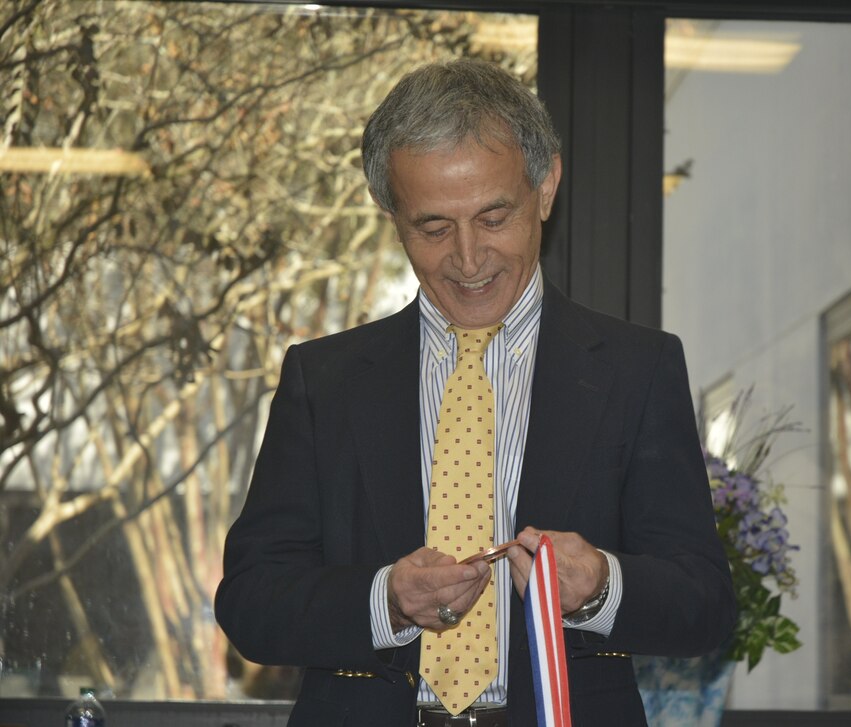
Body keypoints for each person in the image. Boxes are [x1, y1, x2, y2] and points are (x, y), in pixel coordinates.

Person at [215, 58, 734, 727]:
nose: (467, 257)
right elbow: (251, 602)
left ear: (546, 185)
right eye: (433, 227)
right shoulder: (325, 380)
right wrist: (385, 600)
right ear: (391, 213)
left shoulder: (638, 370)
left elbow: (706, 604)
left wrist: (600, 585)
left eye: (494, 217)